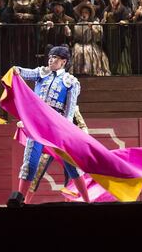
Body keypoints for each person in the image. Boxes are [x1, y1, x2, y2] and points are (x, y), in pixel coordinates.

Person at [9, 46, 90, 204]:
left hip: (57, 128)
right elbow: (23, 72)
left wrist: (66, 129)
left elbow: (70, 110)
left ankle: (88, 202)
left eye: (55, 58)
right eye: (50, 57)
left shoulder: (71, 82)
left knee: (72, 166)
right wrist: (16, 69)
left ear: (63, 62)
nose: (51, 60)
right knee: (29, 165)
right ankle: (21, 202)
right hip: (37, 126)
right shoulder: (41, 73)